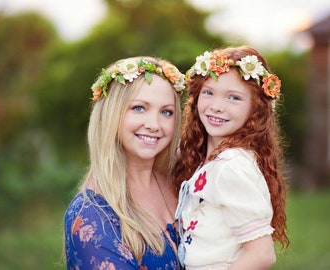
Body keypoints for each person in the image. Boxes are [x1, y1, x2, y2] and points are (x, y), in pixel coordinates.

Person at [173, 46, 290, 270]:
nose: (216, 107)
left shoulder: (232, 166)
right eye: (208, 92)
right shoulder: (212, 162)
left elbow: (262, 255)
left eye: (234, 98)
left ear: (255, 110)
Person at [64, 56, 186, 269]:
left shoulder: (182, 183)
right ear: (112, 113)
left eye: (166, 112)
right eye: (139, 108)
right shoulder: (93, 214)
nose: (154, 124)